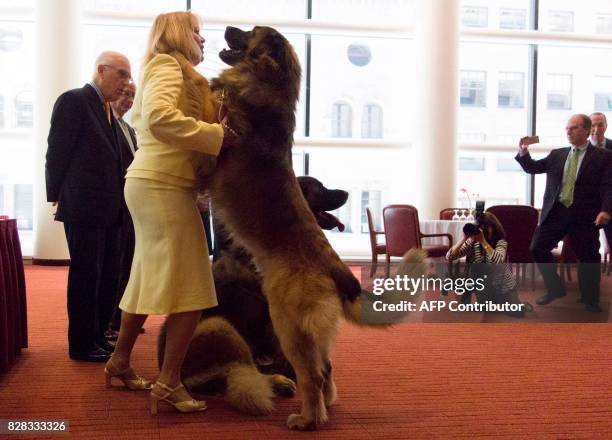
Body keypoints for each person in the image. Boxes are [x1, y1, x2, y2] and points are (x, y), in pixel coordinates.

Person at [104, 11, 236, 413]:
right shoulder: (166, 64)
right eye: (197, 32)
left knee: (144, 277)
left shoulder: (167, 69)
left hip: (156, 182)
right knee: (194, 288)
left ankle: (120, 361)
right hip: (161, 184)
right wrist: (217, 135)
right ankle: (168, 383)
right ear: (179, 33)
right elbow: (161, 119)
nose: (203, 39)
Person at [45, 51, 132, 362]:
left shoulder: (106, 110)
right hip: (84, 206)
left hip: (110, 210)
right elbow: (57, 151)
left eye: (128, 75)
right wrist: (54, 193)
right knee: (86, 276)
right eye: (121, 74)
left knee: (108, 276)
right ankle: (81, 344)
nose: (126, 82)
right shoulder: (74, 100)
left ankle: (97, 337)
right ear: (101, 70)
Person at [516, 114, 612, 312]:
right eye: (567, 128)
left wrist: (605, 209)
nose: (569, 131)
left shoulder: (603, 156)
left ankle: (590, 299)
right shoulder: (557, 154)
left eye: (574, 128)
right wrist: (523, 152)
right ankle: (556, 288)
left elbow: (608, 186)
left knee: (588, 257)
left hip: (585, 215)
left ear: (586, 130)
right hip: (556, 213)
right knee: (537, 248)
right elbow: (533, 168)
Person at [446, 212, 527, 317]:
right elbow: (449, 257)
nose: (482, 230)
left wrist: (483, 241)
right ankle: (490, 304)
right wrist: (464, 238)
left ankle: (515, 304)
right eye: (479, 227)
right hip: (487, 286)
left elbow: (498, 261)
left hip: (503, 287)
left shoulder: (501, 242)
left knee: (517, 313)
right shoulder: (473, 242)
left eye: (485, 227)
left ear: (493, 228)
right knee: (476, 268)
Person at [106, 83, 138, 339]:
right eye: (125, 93)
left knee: (127, 263)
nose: (128, 100)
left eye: (132, 96)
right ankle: (109, 322)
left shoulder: (129, 129)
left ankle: (119, 319)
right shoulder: (107, 125)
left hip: (131, 208)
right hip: (111, 206)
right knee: (113, 266)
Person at [589, 112, 612, 255]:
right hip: (588, 203)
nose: (596, 129)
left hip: (610, 202)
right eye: (592, 125)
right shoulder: (580, 149)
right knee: (589, 247)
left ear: (606, 126)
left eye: (600, 125)